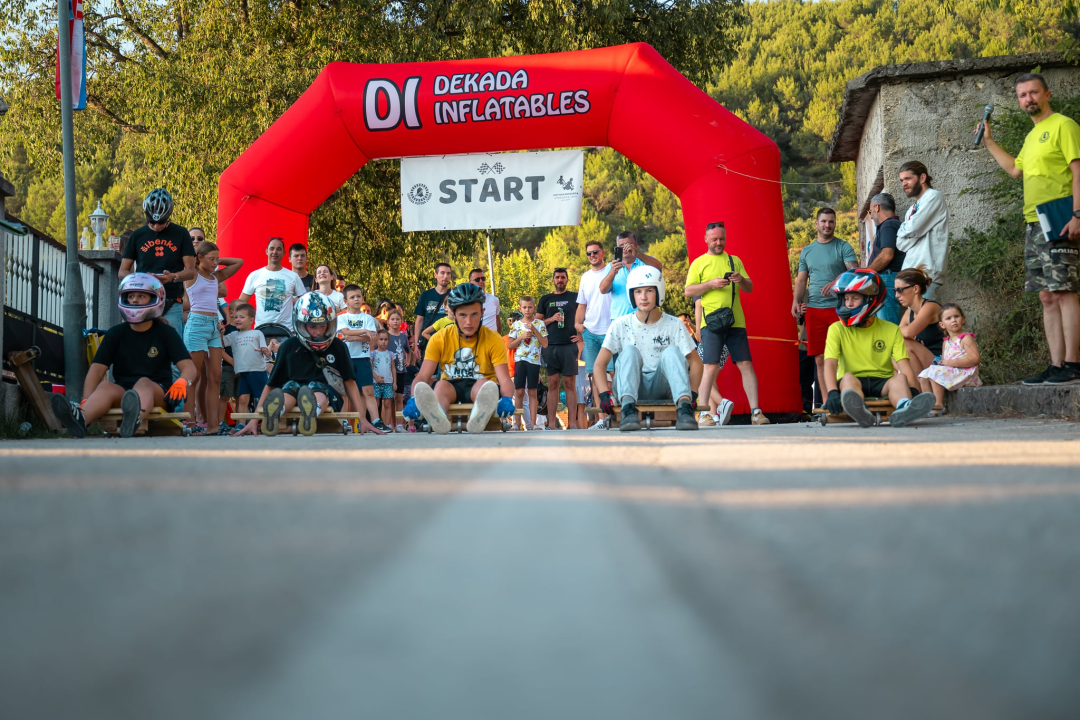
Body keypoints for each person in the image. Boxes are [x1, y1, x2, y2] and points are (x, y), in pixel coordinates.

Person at [980, 72, 1080, 385]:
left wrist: (1078, 213)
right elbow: (1014, 169)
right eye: (1023, 95)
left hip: (1060, 215)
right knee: (1047, 297)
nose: (1028, 99)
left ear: (1047, 94)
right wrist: (989, 140)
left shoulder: (1064, 125)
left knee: (1064, 291)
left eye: (1033, 93)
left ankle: (1074, 364)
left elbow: (1079, 172)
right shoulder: (1031, 136)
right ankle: (1056, 365)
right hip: (1034, 221)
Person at [50, 274, 196, 439]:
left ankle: (136, 419)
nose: (134, 300)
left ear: (156, 299)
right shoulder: (115, 334)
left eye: (141, 296)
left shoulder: (166, 333)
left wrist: (182, 382)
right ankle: (81, 418)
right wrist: (86, 400)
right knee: (105, 387)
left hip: (157, 393)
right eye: (131, 296)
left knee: (144, 382)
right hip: (125, 394)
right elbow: (96, 371)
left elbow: (189, 367)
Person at [235, 292, 383, 437]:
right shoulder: (288, 346)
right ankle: (275, 413)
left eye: (322, 326)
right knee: (290, 388)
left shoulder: (338, 346)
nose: (317, 332)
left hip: (327, 392)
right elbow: (271, 384)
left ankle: (309, 411)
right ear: (301, 324)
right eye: (312, 326)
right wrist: (255, 420)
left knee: (315, 388)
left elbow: (349, 382)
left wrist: (362, 419)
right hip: (296, 390)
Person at [822, 268, 936, 428]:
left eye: (855, 298)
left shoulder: (891, 329)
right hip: (854, 380)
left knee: (900, 379)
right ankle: (859, 410)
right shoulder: (836, 329)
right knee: (847, 378)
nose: (848, 303)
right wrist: (833, 392)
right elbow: (830, 364)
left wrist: (913, 390)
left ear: (871, 299)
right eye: (846, 298)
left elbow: (904, 366)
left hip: (883, 381)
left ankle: (905, 407)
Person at [593, 265, 701, 431]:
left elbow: (696, 363)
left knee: (672, 352)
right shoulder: (620, 324)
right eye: (638, 292)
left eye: (649, 290)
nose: (643, 297)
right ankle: (628, 410)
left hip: (662, 387)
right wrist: (603, 394)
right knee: (629, 351)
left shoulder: (674, 324)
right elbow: (599, 365)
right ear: (632, 295)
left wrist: (693, 394)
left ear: (659, 292)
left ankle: (684, 408)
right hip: (628, 386)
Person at [686, 220, 770, 425]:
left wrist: (741, 280)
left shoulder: (735, 261)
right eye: (714, 239)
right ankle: (704, 413)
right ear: (705, 238)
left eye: (722, 239)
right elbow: (688, 291)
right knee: (710, 367)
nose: (718, 242)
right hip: (710, 324)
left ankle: (756, 412)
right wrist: (710, 284)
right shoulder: (698, 263)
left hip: (736, 322)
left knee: (746, 364)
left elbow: (749, 288)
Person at [404, 283, 516, 435]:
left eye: (474, 314)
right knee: (440, 386)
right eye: (463, 315)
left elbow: (504, 379)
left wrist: (507, 398)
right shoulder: (439, 338)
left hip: (480, 387)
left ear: (482, 312)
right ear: (453, 314)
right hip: (451, 385)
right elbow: (423, 376)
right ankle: (439, 417)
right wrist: (413, 398)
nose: (468, 322)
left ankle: (479, 415)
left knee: (485, 385)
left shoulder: (493, 338)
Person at [792, 208, 859, 413]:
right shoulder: (807, 251)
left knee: (846, 356)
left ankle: (851, 399)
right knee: (819, 358)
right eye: (823, 221)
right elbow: (802, 280)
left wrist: (836, 281)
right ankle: (827, 405)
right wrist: (795, 301)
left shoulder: (843, 246)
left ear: (835, 223)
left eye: (831, 221)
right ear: (816, 224)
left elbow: (855, 273)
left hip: (840, 309)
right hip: (814, 310)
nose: (827, 225)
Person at [119, 188, 196, 344]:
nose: (156, 226)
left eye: (161, 222)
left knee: (172, 351)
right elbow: (123, 270)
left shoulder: (181, 234)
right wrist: (140, 280)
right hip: (143, 300)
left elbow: (190, 271)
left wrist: (173, 277)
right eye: (151, 221)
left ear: (168, 216)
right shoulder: (138, 235)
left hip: (172, 300)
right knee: (141, 346)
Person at [182, 241, 243, 435]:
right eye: (212, 259)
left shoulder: (215, 277)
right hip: (197, 325)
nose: (216, 263)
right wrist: (201, 258)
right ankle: (190, 424)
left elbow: (238, 262)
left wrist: (216, 260)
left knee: (215, 376)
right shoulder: (192, 275)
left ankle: (213, 425)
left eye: (217, 258)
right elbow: (187, 262)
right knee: (194, 376)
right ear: (199, 258)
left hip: (215, 326)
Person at [895, 161, 950, 301]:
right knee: (914, 319)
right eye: (902, 180)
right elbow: (900, 244)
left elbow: (914, 228)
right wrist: (914, 230)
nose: (904, 184)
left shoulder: (933, 197)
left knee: (924, 320)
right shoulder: (911, 210)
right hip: (910, 273)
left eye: (908, 178)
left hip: (927, 273)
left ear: (922, 178)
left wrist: (909, 229)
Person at [336, 284, 387, 431]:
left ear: (362, 298)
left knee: (368, 391)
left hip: (363, 358)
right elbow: (345, 333)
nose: (356, 299)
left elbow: (370, 339)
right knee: (345, 393)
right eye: (352, 297)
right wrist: (363, 332)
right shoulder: (342, 318)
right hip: (346, 358)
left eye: (358, 296)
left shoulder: (368, 318)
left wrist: (355, 337)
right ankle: (343, 422)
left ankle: (376, 420)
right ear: (346, 301)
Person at [575, 240, 613, 428]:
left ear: (603, 252)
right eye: (589, 253)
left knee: (614, 374)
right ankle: (601, 419)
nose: (592, 256)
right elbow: (582, 304)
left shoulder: (613, 270)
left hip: (611, 330)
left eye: (595, 252)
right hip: (590, 331)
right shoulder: (585, 277)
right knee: (594, 377)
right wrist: (577, 324)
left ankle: (616, 415)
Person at [538, 268, 580, 429]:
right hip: (550, 346)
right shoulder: (546, 299)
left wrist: (581, 337)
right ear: (553, 280)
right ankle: (551, 424)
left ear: (567, 280)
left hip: (569, 346)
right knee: (553, 383)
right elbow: (537, 323)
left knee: (570, 384)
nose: (560, 280)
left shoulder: (575, 297)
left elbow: (586, 317)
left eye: (563, 277)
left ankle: (573, 423)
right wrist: (551, 319)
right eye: (557, 277)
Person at [919, 303, 982, 410]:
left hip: (966, 374)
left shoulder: (965, 339)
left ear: (963, 319)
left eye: (956, 316)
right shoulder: (946, 342)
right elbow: (945, 361)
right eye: (948, 318)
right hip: (954, 372)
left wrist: (951, 363)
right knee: (923, 376)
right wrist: (943, 363)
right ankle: (928, 405)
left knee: (935, 373)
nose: (953, 320)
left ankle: (938, 405)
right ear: (942, 325)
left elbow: (975, 359)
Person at [238, 237, 306, 335]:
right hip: (261, 331)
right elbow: (241, 303)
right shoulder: (255, 275)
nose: (275, 252)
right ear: (266, 251)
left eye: (279, 249)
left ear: (284, 253)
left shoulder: (293, 276)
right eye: (272, 248)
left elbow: (304, 302)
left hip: (287, 332)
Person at [895, 266, 944, 391]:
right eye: (895, 290)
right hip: (926, 363)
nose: (896, 295)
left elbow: (908, 332)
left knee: (906, 344)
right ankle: (909, 389)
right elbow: (896, 336)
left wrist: (885, 330)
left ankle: (917, 391)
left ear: (915, 288)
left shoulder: (930, 307)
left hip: (942, 363)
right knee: (893, 350)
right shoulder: (908, 313)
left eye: (900, 290)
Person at [600, 231, 663, 321]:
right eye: (621, 246)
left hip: (645, 319)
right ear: (617, 248)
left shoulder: (645, 261)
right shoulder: (611, 266)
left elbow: (659, 267)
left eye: (628, 245)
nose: (625, 248)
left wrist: (636, 254)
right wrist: (612, 272)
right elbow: (603, 290)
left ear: (636, 246)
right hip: (619, 319)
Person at [508, 296, 549, 431]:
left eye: (530, 307)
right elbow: (510, 345)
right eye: (524, 307)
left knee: (532, 392)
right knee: (519, 392)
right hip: (520, 360)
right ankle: (517, 423)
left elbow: (545, 343)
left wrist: (534, 331)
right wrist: (521, 337)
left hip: (534, 361)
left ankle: (533, 424)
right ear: (520, 308)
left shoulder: (540, 324)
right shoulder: (516, 325)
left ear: (534, 308)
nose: (527, 310)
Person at [866, 192, 905, 324]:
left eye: (871, 211)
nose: (871, 216)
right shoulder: (891, 225)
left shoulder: (888, 225)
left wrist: (866, 273)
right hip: (886, 280)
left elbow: (887, 255)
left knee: (887, 326)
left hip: (887, 280)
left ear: (877, 207)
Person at [413, 262, 453, 359]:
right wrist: (417, 344)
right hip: (429, 341)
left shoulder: (454, 295)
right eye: (442, 273)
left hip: (450, 343)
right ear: (435, 275)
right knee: (429, 373)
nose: (445, 276)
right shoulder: (426, 295)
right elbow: (419, 321)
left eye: (448, 273)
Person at [385, 307, 412, 432]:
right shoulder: (385, 336)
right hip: (387, 372)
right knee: (389, 399)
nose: (395, 321)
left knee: (399, 398)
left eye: (398, 319)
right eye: (393, 319)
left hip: (401, 370)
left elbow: (408, 350)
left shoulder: (403, 337)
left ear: (401, 321)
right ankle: (390, 424)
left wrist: (407, 359)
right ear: (388, 321)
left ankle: (400, 424)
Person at [371, 328, 397, 430]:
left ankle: (387, 424)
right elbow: (370, 368)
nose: (383, 342)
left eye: (385, 339)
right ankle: (376, 422)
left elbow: (393, 368)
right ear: (377, 340)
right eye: (381, 339)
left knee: (387, 403)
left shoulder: (390, 354)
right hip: (376, 382)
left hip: (388, 382)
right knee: (376, 402)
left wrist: (394, 382)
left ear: (388, 341)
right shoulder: (373, 353)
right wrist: (375, 377)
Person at [468, 268, 502, 333]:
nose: (481, 281)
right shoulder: (466, 302)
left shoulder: (494, 300)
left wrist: (498, 338)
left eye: (483, 279)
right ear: (470, 283)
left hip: (492, 340)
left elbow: (497, 320)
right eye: (477, 279)